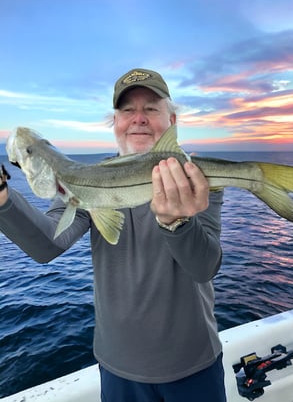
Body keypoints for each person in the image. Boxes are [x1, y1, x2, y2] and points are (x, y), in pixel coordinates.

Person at [0, 68, 226, 402]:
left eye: (151, 108)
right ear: (115, 122)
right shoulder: (87, 181)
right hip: (118, 367)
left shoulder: (195, 176)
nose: (139, 119)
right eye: (127, 110)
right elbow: (48, 243)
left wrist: (177, 223)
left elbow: (204, 267)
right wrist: (4, 199)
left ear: (172, 120)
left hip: (194, 362)